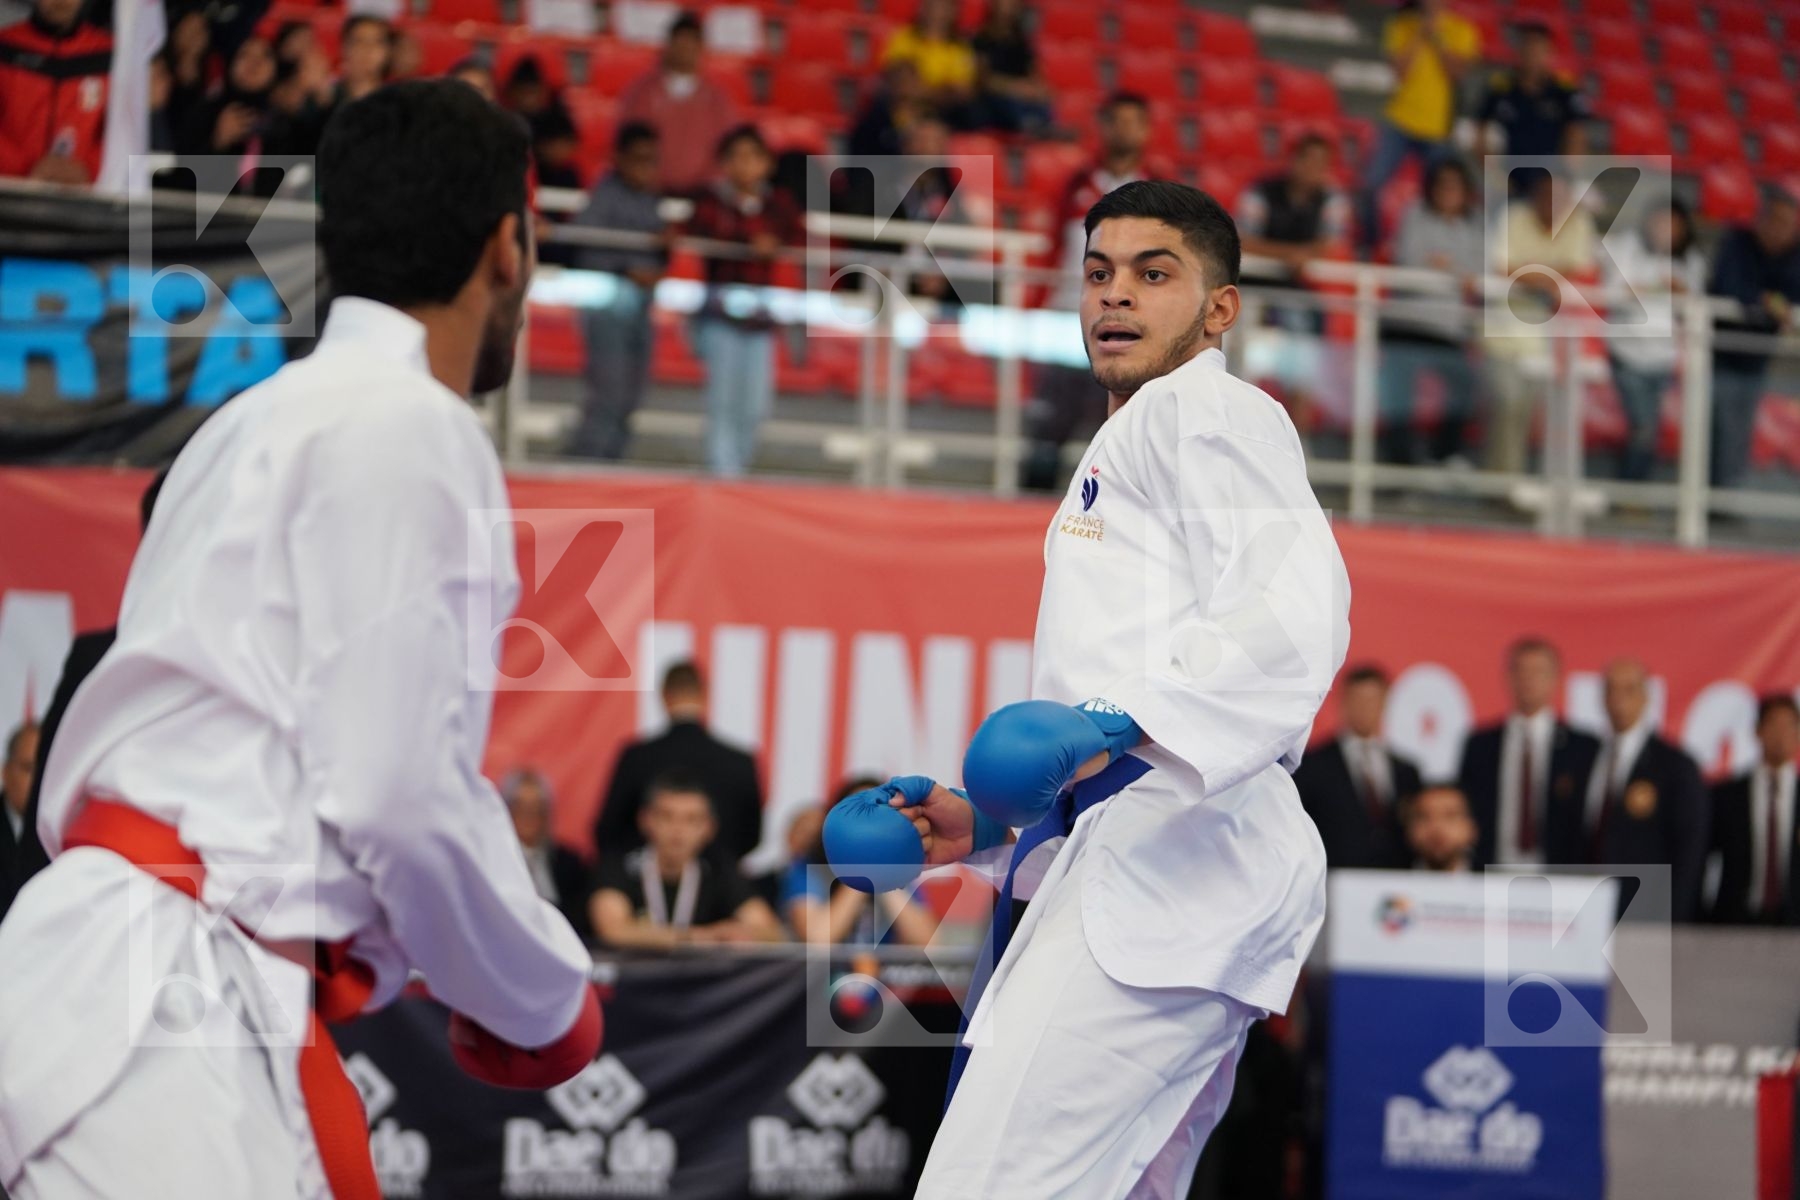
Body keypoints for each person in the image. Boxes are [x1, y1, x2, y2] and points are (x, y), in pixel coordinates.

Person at [0, 81, 603, 1200]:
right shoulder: (412, 424)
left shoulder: (247, 420)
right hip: (163, 1007)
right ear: (507, 249)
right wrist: (543, 993)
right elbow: (396, 796)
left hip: (137, 982)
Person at [826, 180, 1351, 1197]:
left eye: (1155, 275)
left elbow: (1296, 614)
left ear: (1218, 309)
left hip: (1172, 875)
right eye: (1100, 273)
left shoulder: (1209, 410)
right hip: (1161, 868)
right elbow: (1113, 728)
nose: (1117, 296)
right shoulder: (1132, 438)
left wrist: (1111, 722)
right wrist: (977, 824)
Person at [1, 470, 164, 925]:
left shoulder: (268, 661)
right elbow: (48, 805)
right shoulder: (100, 659)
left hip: (242, 920)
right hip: (112, 917)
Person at [1022, 92, 1153, 492]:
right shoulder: (1077, 183)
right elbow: (1051, 248)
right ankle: (1031, 518)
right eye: (1117, 121)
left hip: (1125, 326)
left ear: (1146, 130)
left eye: (1134, 121)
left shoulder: (1156, 190)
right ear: (1104, 126)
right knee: (1050, 425)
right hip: (1068, 319)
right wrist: (1036, 307)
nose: (1125, 130)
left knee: (1117, 430)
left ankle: (1108, 525)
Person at [682, 124, 803, 477]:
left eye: (753, 157)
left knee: (755, 407)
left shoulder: (779, 206)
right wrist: (746, 240)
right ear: (725, 163)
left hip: (762, 321)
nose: (745, 166)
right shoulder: (710, 203)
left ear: (766, 164)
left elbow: (800, 242)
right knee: (722, 402)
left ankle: (738, 471)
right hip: (719, 317)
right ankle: (722, 476)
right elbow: (693, 239)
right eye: (737, 158)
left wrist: (775, 247)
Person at [1482, 167, 1598, 476]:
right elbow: (1501, 267)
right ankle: (1504, 487)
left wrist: (1531, 273)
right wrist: (1550, 277)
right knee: (1510, 406)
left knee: (1546, 416)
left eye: (1561, 198)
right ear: (1534, 196)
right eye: (1547, 196)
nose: (1553, 204)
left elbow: (1583, 276)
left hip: (1555, 340)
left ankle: (1532, 489)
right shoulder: (1513, 218)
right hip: (1504, 333)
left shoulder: (1579, 224)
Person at [594, 660, 764, 866]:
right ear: (705, 695)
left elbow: (608, 830)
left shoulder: (637, 757)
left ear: (664, 696)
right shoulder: (740, 761)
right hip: (720, 888)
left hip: (644, 888)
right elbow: (752, 836)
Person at [565, 122, 668, 461]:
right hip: (609, 305)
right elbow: (585, 243)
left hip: (640, 309)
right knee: (608, 392)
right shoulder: (603, 196)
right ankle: (587, 463)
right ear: (619, 159)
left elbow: (656, 254)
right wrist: (626, 269)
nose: (645, 168)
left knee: (632, 395)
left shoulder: (652, 202)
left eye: (652, 160)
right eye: (638, 159)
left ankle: (611, 462)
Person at [1236, 133, 1352, 431]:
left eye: (1321, 163)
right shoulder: (1261, 192)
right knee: (1244, 367)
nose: (1313, 169)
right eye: (1308, 160)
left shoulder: (1332, 199)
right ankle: (1239, 433)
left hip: (1299, 297)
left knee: (1303, 369)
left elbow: (1331, 244)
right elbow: (1243, 241)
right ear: (1294, 161)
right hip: (1252, 292)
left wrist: (1302, 256)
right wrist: (1291, 255)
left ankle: (1297, 441)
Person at [1577, 658, 1707, 920]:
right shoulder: (1584, 756)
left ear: (1647, 697)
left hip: (1645, 911)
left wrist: (1675, 915)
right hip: (1586, 910)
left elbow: (1690, 849)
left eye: (1629, 689)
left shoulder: (1674, 765)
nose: (1618, 698)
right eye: (1611, 689)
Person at [589, 773, 784, 947]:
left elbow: (771, 932)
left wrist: (738, 933)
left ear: (709, 828)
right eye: (667, 817)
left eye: (691, 819)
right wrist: (701, 937)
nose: (678, 830)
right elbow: (612, 930)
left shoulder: (717, 869)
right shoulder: (620, 865)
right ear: (646, 820)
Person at [1455, 636, 1599, 867]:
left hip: (1560, 873)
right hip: (1492, 868)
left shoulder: (1583, 747)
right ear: (1507, 677)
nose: (1528, 680)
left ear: (1555, 678)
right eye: (1521, 670)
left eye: (1538, 671)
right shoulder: (1480, 745)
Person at [1381, 157, 1482, 465]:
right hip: (1406, 324)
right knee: (1399, 389)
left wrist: (1444, 265)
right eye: (1442, 186)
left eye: (1455, 187)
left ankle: (1444, 456)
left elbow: (1479, 273)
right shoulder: (1415, 216)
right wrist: (1456, 273)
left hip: (1448, 331)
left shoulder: (1474, 226)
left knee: (1467, 385)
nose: (1447, 192)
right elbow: (1408, 259)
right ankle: (1400, 463)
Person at [1358, 0, 1480, 252]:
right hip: (1399, 121)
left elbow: (1456, 72)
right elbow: (1400, 71)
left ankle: (1437, 250)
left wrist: (1437, 37)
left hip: (1437, 129)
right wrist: (1420, 34)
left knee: (1441, 197)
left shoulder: (1462, 30)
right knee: (1370, 185)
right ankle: (1370, 247)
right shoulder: (1401, 24)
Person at [1708, 189, 1800, 490]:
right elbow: (1728, 285)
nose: (1781, 229)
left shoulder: (1793, 256)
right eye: (1776, 220)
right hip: (1717, 354)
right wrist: (1768, 301)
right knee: (1715, 428)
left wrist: (1772, 302)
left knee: (1739, 432)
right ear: (1762, 219)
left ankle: (1724, 501)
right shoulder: (1737, 242)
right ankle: (1707, 501)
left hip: (1756, 359)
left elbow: (1793, 295)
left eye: (1789, 223)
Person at [1293, 665, 1423, 869]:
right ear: (1343, 702)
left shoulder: (1407, 771)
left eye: (1372, 700)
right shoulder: (1312, 765)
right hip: (1334, 880)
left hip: (1395, 882)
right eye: (1358, 699)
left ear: (1385, 702)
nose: (1365, 707)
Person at [783, 777, 940, 945]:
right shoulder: (810, 867)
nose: (868, 827)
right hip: (824, 970)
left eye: (879, 815)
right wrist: (860, 873)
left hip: (882, 969)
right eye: (858, 815)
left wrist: (881, 872)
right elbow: (817, 939)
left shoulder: (901, 870)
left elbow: (929, 943)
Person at [616, 11, 740, 198]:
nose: (685, 50)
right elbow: (629, 141)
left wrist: (707, 186)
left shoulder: (717, 100)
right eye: (680, 42)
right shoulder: (642, 92)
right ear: (669, 44)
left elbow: (726, 149)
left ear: (701, 48)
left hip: (701, 197)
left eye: (691, 43)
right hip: (645, 193)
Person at [1707, 695, 1800, 926]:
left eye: (1789, 726)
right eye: (1773, 725)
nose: (1781, 735)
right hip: (1736, 920)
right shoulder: (1726, 795)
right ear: (1757, 731)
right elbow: (1703, 860)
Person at [0, 0, 113, 184]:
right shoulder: (5, 46)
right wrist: (25, 168)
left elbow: (125, 128)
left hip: (83, 196)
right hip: (10, 192)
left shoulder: (110, 53)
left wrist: (88, 170)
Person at [1476, 22, 1588, 163]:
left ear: (1549, 52)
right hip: (1507, 172)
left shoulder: (1564, 92)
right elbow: (1480, 129)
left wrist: (1563, 175)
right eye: (1527, 47)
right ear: (1519, 50)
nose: (1532, 54)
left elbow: (1576, 135)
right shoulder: (1500, 89)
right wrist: (1494, 173)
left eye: (1538, 49)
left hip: (1550, 174)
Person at [504, 769, 594, 940]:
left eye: (537, 808)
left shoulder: (569, 863)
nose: (528, 815)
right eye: (520, 807)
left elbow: (580, 921)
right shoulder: (491, 862)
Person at [880, 0, 977, 129]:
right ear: (922, 8)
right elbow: (901, 82)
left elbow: (961, 92)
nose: (937, 12)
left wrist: (920, 90)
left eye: (943, 7)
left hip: (943, 112)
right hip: (904, 108)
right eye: (933, 5)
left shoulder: (960, 48)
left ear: (953, 12)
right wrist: (941, 90)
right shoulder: (904, 37)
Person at [177, 33, 277, 157]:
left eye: (266, 56)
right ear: (231, 63)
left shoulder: (279, 123)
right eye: (244, 54)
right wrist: (219, 141)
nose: (255, 62)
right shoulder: (205, 111)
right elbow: (184, 170)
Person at [970, 0, 1051, 134]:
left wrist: (1039, 89)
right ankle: (1032, 128)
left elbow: (1036, 74)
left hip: (1022, 97)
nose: (1007, 7)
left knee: (1043, 105)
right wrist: (1015, 88)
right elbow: (982, 80)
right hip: (994, 98)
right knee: (1008, 106)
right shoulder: (981, 39)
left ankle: (1042, 130)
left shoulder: (1022, 41)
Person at [0, 724, 39, 891]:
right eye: (28, 768)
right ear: (5, 772)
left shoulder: (62, 832)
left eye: (44, 769)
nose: (38, 781)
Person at [1404, 784, 1478, 872]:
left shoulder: (1493, 881)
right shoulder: (1392, 880)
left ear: (1471, 827)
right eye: (1424, 817)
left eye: (1450, 816)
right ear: (1410, 828)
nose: (1437, 828)